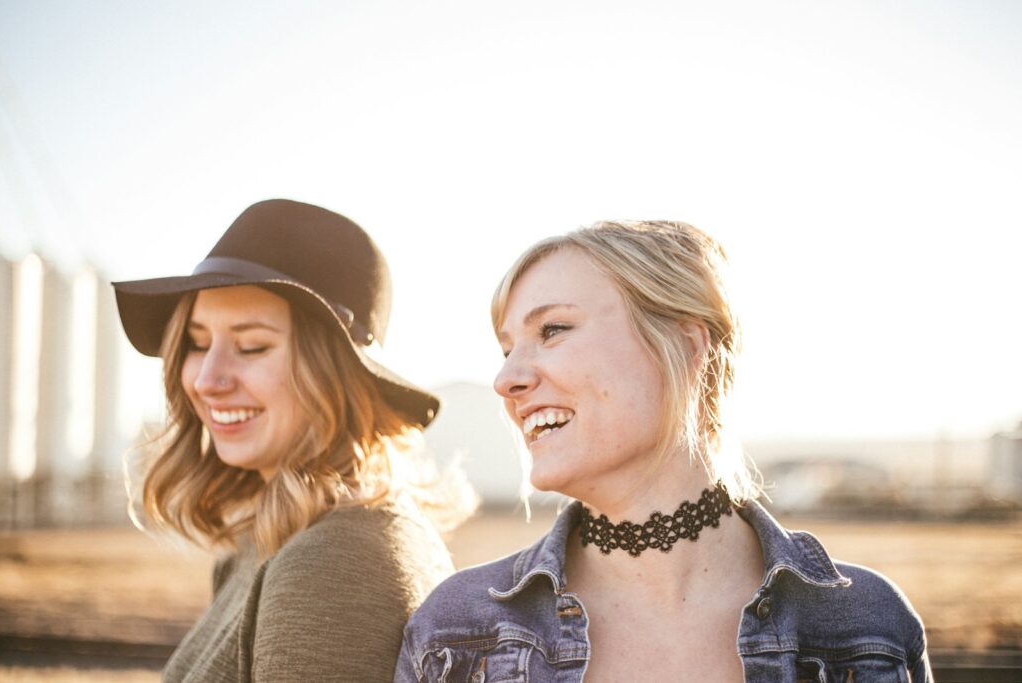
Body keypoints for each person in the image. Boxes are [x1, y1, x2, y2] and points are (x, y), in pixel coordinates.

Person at [396, 221, 930, 682]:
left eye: (553, 329)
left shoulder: (867, 626)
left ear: (686, 345)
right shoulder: (455, 633)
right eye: (508, 348)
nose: (506, 379)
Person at [113, 199, 473, 682]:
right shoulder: (271, 543)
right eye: (197, 343)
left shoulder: (334, 564)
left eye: (252, 346)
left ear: (336, 374)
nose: (206, 379)